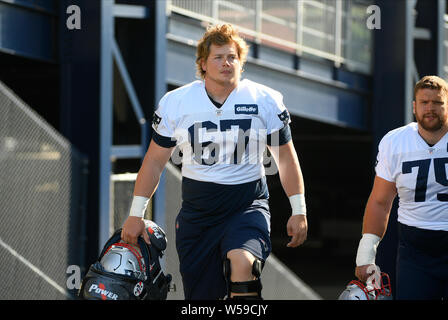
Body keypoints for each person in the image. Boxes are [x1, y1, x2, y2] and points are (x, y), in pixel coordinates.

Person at [120, 23, 308, 300]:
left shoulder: (265, 100)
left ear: (241, 64)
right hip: (199, 211)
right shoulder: (177, 102)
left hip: (246, 203)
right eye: (218, 57)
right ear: (203, 64)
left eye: (232, 57)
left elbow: (286, 159)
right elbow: (154, 162)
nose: (226, 63)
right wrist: (136, 213)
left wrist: (299, 209)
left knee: (243, 264)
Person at [354, 75, 448, 300]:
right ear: (414, 106)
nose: (430, 108)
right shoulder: (395, 141)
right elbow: (380, 201)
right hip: (416, 249)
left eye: (437, 102)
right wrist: (365, 254)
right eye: (424, 102)